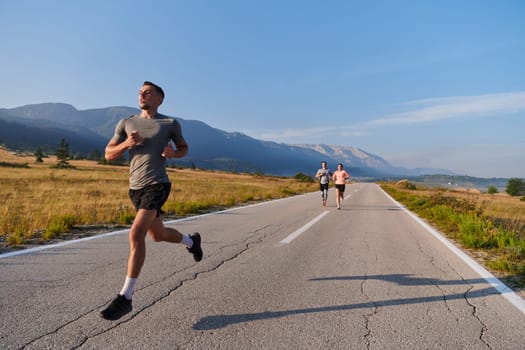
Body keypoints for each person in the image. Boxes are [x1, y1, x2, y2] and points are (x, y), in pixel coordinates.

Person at [100, 81, 203, 321]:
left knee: (136, 234)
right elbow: (108, 154)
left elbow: (184, 148)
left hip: (158, 184)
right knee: (157, 235)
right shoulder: (126, 123)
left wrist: (173, 154)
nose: (141, 95)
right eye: (139, 92)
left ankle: (125, 297)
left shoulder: (170, 124)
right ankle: (192, 241)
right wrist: (127, 143)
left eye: (147, 92)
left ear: (159, 98)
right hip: (135, 188)